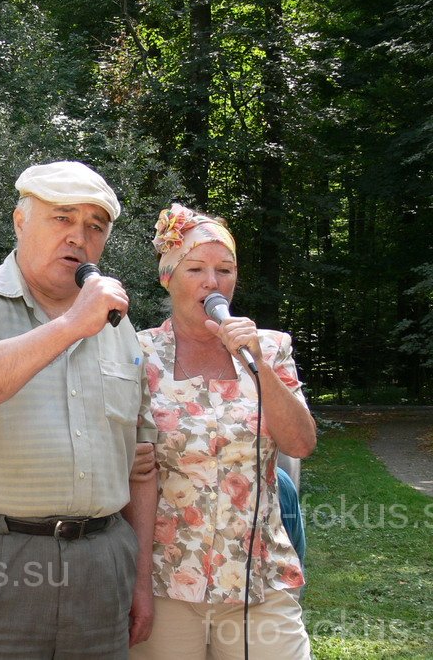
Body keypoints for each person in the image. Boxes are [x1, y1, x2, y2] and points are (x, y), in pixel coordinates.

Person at [0, 160, 158, 658]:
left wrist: (140, 580)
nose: (78, 237)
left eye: (95, 226)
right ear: (20, 221)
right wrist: (71, 325)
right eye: (61, 218)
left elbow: (140, 464)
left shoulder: (121, 329)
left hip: (101, 564)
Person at [128, 203, 317, 659]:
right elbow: (135, 472)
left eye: (225, 269)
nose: (213, 282)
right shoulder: (137, 354)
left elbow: (300, 443)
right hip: (167, 581)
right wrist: (136, 587)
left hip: (260, 580)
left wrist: (259, 365)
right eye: (196, 269)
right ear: (167, 277)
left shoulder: (269, 348)